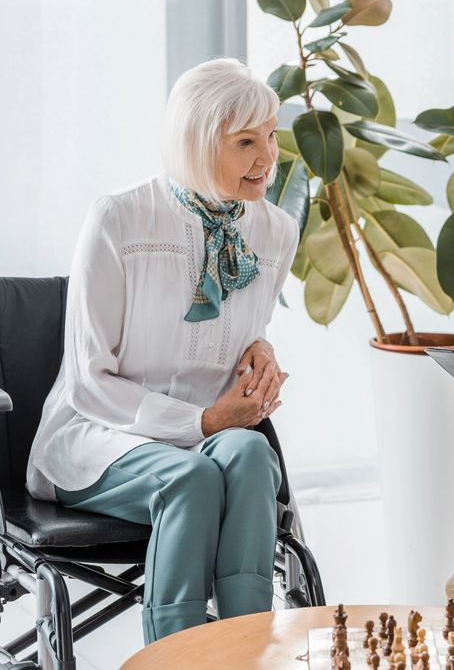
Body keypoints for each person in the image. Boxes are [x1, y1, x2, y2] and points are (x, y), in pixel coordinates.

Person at [26, 58, 299, 644]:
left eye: (272, 135)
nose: (268, 157)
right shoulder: (121, 219)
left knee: (253, 455)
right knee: (189, 479)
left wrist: (260, 348)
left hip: (210, 436)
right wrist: (201, 422)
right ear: (198, 142)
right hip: (99, 435)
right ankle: (177, 656)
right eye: (246, 142)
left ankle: (246, 648)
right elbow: (88, 381)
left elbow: (243, 329)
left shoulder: (276, 231)